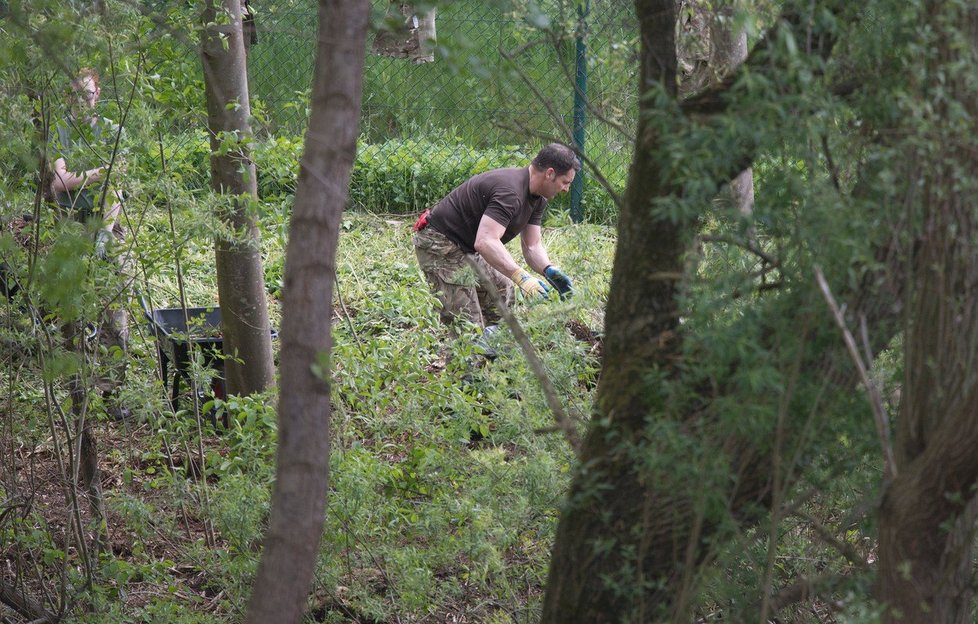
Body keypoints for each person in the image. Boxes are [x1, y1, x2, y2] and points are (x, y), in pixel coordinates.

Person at [412, 142, 579, 355]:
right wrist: (522, 276)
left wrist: (548, 269)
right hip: (440, 245)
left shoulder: (537, 198)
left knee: (503, 292)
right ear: (550, 173)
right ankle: (466, 379)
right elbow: (486, 242)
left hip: (466, 248)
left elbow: (532, 245)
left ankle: (497, 362)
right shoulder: (510, 192)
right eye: (565, 182)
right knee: (467, 324)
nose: (566, 189)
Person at [50, 68, 131, 418]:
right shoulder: (59, 131)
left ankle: (113, 392)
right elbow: (60, 182)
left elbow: (117, 187)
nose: (84, 100)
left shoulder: (114, 131)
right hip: (68, 226)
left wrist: (103, 233)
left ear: (98, 94)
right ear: (69, 97)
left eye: (90, 94)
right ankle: (78, 392)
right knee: (73, 309)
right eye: (77, 94)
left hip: (107, 226)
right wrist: (100, 170)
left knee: (114, 306)